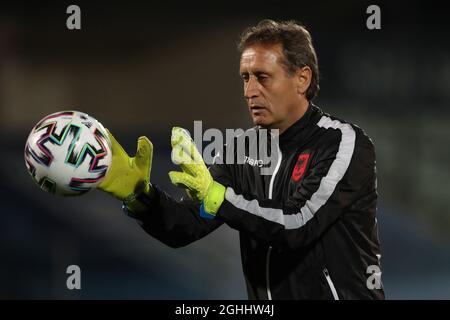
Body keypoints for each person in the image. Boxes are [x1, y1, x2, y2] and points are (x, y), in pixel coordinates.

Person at [98, 19, 385, 300]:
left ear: (302, 79)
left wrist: (218, 197)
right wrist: (140, 198)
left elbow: (297, 225)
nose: (249, 92)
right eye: (245, 78)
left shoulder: (343, 143)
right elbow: (185, 227)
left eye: (262, 77)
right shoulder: (241, 149)